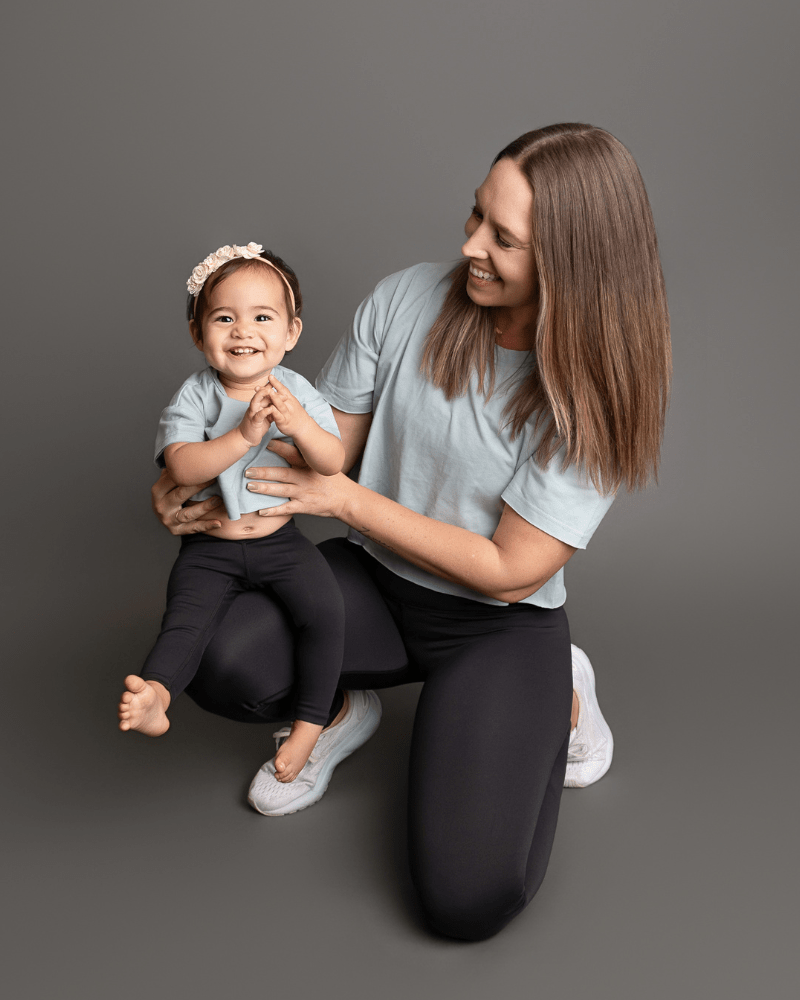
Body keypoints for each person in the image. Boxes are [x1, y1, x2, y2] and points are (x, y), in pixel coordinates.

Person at [152, 123, 671, 939]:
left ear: (574, 262)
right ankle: (345, 701)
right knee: (220, 656)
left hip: (497, 626)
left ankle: (561, 695)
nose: (470, 245)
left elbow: (510, 570)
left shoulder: (592, 393)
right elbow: (326, 451)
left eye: (504, 238)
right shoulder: (404, 300)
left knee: (465, 901)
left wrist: (349, 504)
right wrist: (192, 482)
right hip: (376, 584)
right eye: (475, 216)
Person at [119, 243, 351, 783]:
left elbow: (333, 461)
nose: (243, 331)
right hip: (210, 547)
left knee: (325, 613)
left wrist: (301, 428)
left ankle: (312, 723)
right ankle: (156, 694)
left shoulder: (296, 391)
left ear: (291, 333)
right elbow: (182, 467)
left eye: (262, 317)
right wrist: (243, 433)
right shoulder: (196, 396)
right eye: (224, 318)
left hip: (279, 541)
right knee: (185, 621)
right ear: (199, 335)